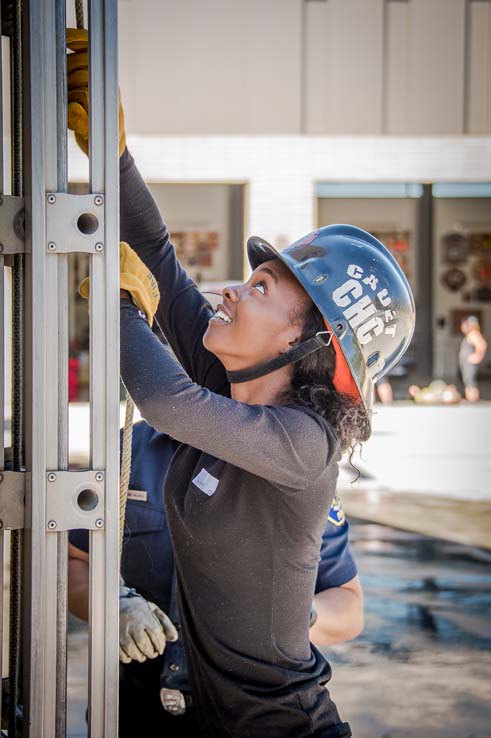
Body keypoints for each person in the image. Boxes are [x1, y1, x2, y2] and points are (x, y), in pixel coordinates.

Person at [67, 28, 415, 738]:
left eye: (258, 288)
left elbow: (166, 398)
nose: (228, 290)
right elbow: (160, 260)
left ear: (304, 338)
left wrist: (114, 304)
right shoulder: (225, 397)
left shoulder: (302, 444)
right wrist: (112, 152)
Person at [68, 420, 364, 738]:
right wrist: (107, 605)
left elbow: (348, 606)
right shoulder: (130, 449)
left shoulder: (296, 456)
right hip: (134, 706)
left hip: (257, 714)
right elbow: (76, 562)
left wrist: (292, 617)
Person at [458, 315, 487, 402]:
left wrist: (478, 356)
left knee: (470, 382)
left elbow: (482, 345)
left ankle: (473, 399)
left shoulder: (474, 334)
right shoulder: (470, 334)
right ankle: (470, 399)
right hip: (466, 364)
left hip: (469, 365)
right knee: (468, 382)